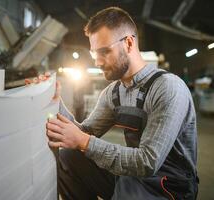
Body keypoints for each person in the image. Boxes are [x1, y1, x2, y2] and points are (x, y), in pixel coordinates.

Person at [46, 7, 199, 200]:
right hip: (133, 178)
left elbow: (147, 162)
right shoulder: (113, 92)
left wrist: (83, 141)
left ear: (128, 43)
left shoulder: (168, 88)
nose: (98, 62)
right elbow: (84, 133)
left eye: (104, 52)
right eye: (94, 53)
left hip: (168, 187)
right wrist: (54, 99)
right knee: (69, 157)